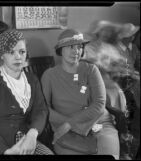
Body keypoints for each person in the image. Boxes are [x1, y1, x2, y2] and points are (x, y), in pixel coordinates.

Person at [41, 29, 120, 159]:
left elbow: (100, 104)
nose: (76, 51)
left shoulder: (91, 70)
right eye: (71, 47)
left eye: (79, 47)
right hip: (65, 131)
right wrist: (68, 125)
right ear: (60, 49)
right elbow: (44, 109)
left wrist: (70, 123)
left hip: (98, 123)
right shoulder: (49, 75)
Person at [0, 30, 54, 155]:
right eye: (11, 52)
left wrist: (32, 134)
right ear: (1, 55)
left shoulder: (32, 80)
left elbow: (41, 110)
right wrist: (6, 151)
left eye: (22, 52)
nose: (18, 57)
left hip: (24, 138)